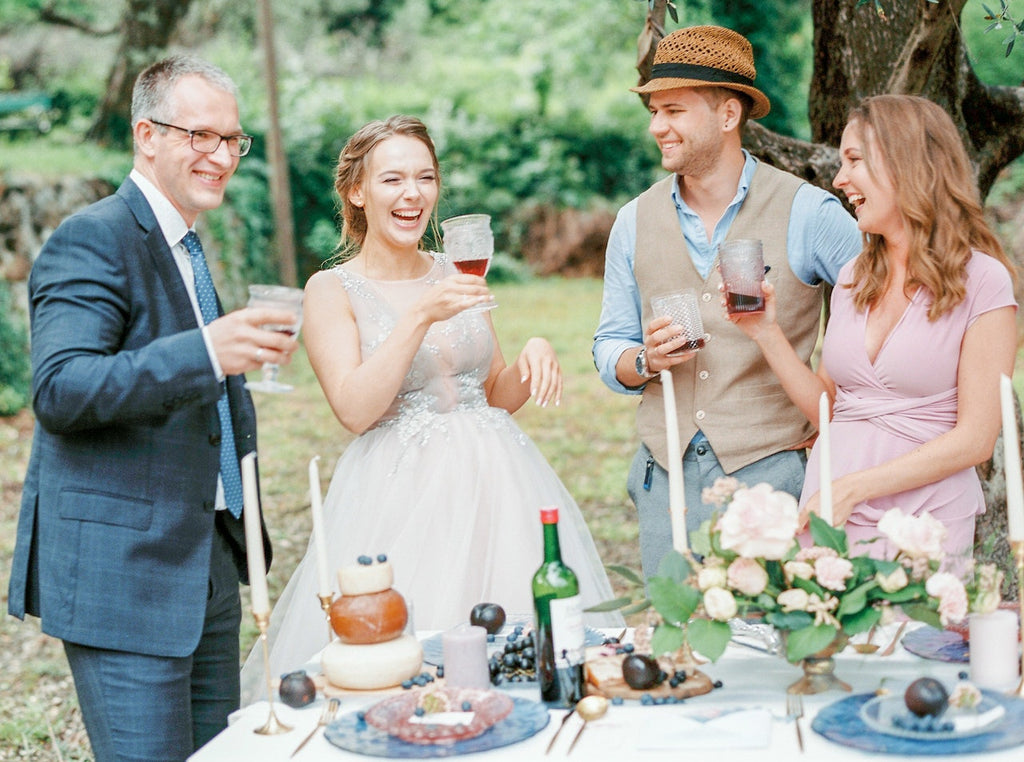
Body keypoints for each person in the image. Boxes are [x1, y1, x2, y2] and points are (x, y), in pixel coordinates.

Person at [241, 115, 621, 694]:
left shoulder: (457, 269)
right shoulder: (332, 290)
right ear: (357, 191)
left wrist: (533, 354)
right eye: (392, 179)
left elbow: (494, 391)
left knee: (520, 655)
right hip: (401, 497)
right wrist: (419, 315)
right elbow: (354, 409)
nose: (412, 194)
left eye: (425, 177)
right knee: (408, 668)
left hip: (500, 486)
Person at [7, 56, 298, 761]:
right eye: (201, 136)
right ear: (147, 134)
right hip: (125, 580)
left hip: (206, 565)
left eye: (232, 140)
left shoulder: (187, 244)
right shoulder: (93, 237)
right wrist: (205, 352)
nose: (221, 156)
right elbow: (60, 390)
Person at [592, 25, 862, 577]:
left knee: (769, 645)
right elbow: (609, 344)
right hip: (662, 474)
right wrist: (643, 360)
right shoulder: (632, 221)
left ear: (727, 115)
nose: (656, 127)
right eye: (653, 111)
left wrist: (840, 401)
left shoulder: (810, 213)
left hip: (772, 474)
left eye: (673, 110)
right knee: (678, 646)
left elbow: (884, 315)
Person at [732, 94, 1018, 559]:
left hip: (924, 520)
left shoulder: (984, 281)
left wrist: (854, 487)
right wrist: (766, 332)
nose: (839, 179)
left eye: (854, 160)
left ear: (907, 164)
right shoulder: (854, 275)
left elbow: (977, 438)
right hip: (831, 512)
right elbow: (830, 406)